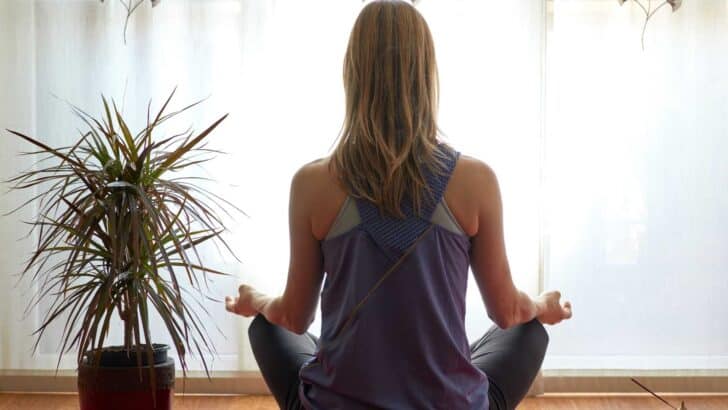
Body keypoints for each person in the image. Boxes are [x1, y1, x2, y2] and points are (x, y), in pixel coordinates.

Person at [225, 1, 572, 409]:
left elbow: (295, 318)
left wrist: (258, 302)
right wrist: (542, 306)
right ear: (426, 75)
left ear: (353, 73)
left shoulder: (312, 183)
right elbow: (508, 311)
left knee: (266, 328)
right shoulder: (476, 180)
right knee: (529, 330)